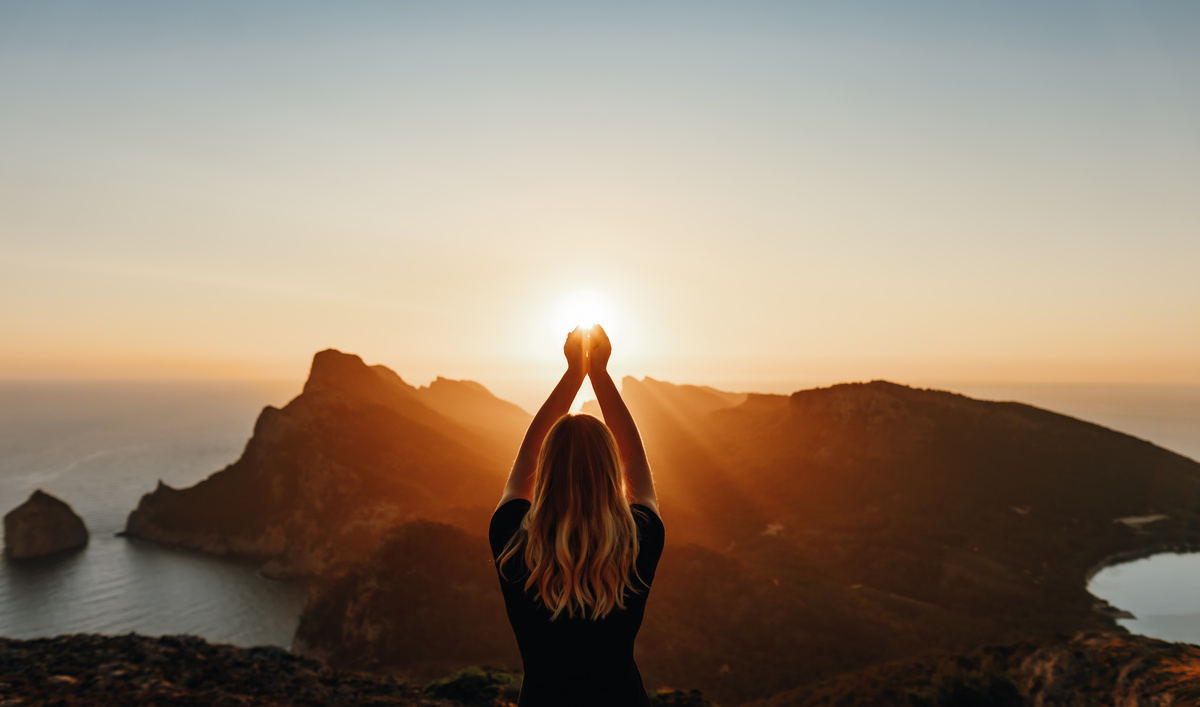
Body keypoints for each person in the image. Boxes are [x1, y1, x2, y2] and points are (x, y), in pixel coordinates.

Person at [489, 324, 664, 706]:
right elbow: (635, 459)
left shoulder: (513, 543)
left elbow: (526, 457)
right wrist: (599, 374)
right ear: (610, 471)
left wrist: (573, 373)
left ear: (546, 470)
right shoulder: (637, 543)